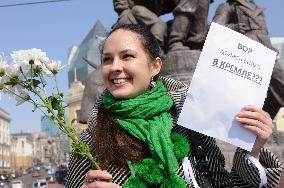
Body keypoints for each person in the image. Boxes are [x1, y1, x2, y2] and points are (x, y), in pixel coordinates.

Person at [66, 24, 283, 188]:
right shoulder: (89, 140)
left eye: (127, 56)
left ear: (155, 66)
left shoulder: (189, 122)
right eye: (107, 59)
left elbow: (222, 184)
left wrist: (252, 150)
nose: (115, 67)